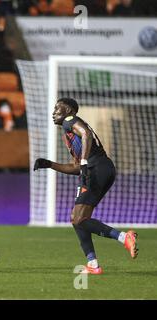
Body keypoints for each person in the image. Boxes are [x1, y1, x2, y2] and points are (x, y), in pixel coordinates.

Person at [33, 98, 138, 274]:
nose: (54, 112)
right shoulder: (69, 135)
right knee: (77, 219)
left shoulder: (70, 121)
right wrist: (50, 164)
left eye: (57, 108)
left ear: (69, 110)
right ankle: (93, 264)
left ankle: (123, 237)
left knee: (78, 218)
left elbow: (86, 135)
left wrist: (83, 162)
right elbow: (76, 167)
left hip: (96, 168)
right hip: (100, 169)